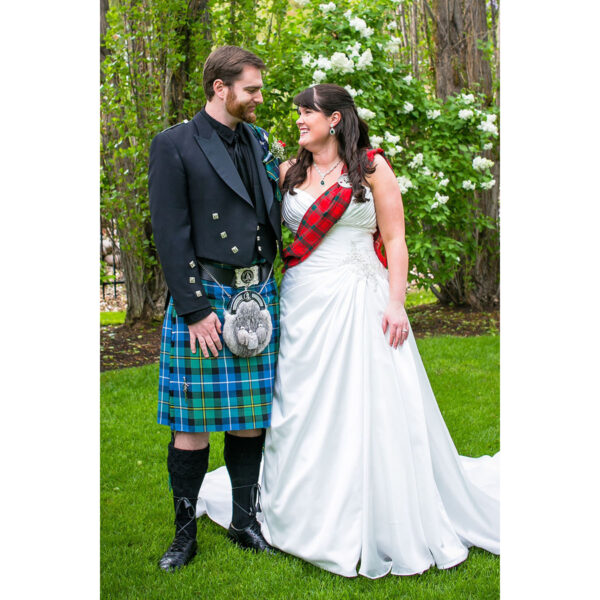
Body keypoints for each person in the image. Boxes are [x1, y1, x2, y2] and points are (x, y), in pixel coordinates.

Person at [196, 83, 499, 579]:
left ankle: (372, 510)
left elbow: (396, 239)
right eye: (297, 114)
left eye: (305, 114)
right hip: (302, 301)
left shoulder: (372, 168)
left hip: (363, 297)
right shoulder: (289, 171)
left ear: (334, 119)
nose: (298, 121)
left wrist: (398, 303)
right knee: (299, 402)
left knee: (368, 401)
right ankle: (295, 506)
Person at [148, 45, 282, 572]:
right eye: (251, 88)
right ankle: (184, 536)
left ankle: (243, 520)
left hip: (258, 295)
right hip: (207, 296)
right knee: (192, 423)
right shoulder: (176, 144)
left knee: (250, 420)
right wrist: (194, 308)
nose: (258, 97)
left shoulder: (260, 141)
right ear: (219, 88)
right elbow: (169, 232)